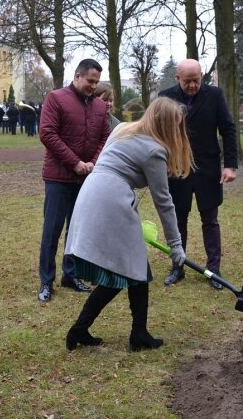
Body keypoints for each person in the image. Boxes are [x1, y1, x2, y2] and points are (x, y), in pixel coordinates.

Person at [64, 97, 192, 351]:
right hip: (111, 201)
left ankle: (96, 330)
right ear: (166, 124)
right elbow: (164, 201)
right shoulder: (154, 150)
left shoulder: (122, 129)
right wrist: (176, 245)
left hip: (93, 192)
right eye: (175, 125)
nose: (178, 131)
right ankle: (129, 333)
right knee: (129, 270)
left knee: (131, 270)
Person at [158, 58, 238, 290]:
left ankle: (214, 270)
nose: (193, 85)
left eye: (197, 80)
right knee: (178, 220)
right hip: (176, 169)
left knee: (210, 220)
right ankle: (177, 266)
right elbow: (157, 132)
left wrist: (230, 165)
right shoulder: (165, 97)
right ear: (178, 78)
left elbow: (228, 129)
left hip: (208, 168)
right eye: (188, 81)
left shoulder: (215, 95)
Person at [37, 58, 111, 302]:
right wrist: (75, 163)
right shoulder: (56, 99)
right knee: (52, 230)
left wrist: (92, 163)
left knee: (76, 230)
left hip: (86, 178)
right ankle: (46, 281)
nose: (93, 85)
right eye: (90, 81)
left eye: (97, 82)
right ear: (77, 76)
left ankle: (71, 274)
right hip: (59, 178)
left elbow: (105, 138)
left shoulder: (100, 108)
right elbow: (47, 134)